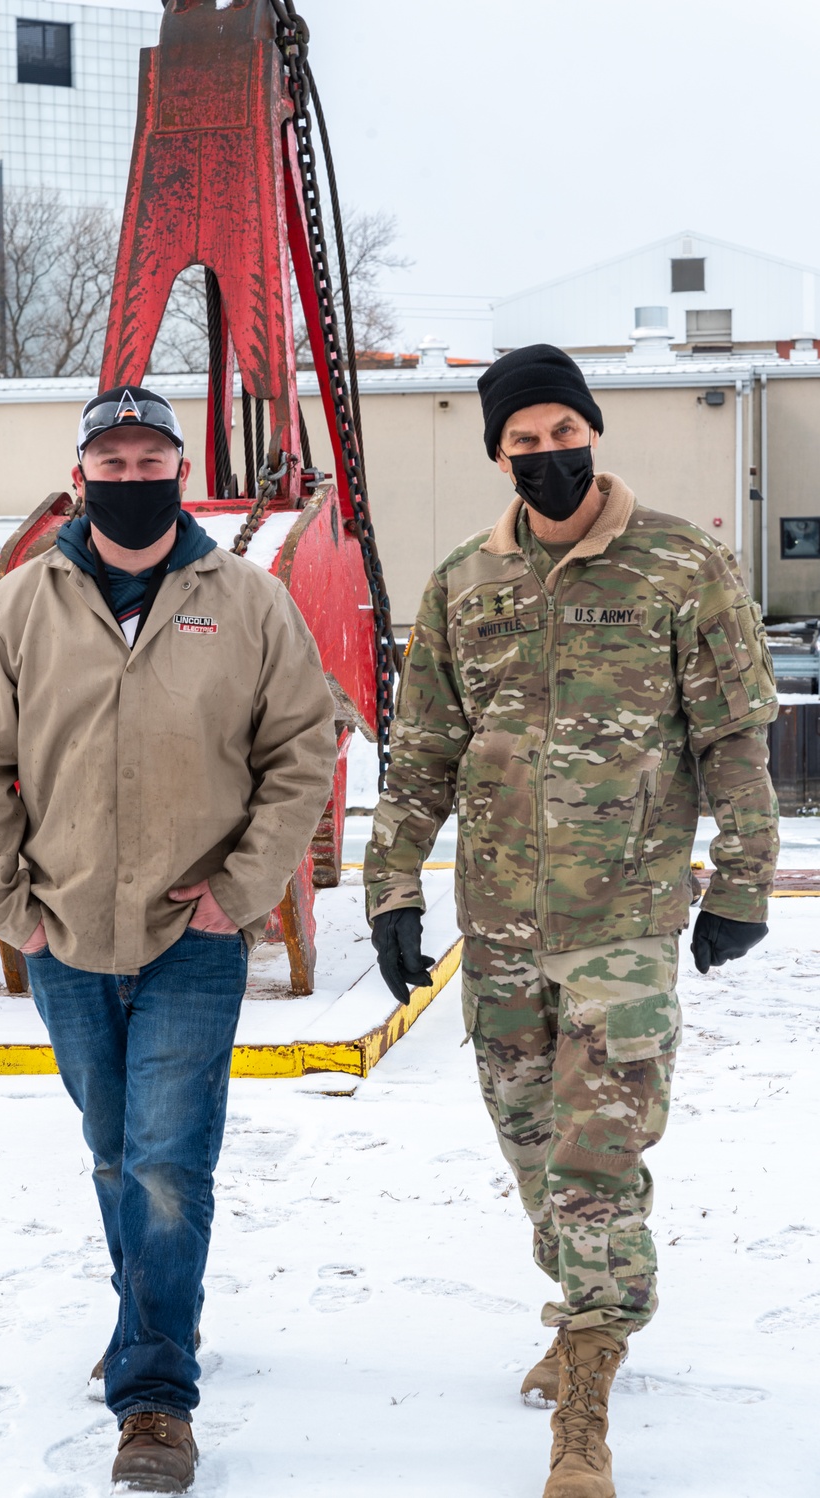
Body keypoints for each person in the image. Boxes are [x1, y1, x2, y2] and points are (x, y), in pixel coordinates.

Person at [364, 345, 779, 1498]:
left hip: (625, 918)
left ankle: (588, 1391)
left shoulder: (679, 565)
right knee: (530, 1142)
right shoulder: (465, 582)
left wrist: (743, 877)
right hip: (496, 923)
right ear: (496, 450)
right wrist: (390, 884)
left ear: (592, 431)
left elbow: (732, 738)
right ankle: (586, 1301)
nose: (546, 456)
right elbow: (423, 751)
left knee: (600, 1147)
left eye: (562, 432)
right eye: (523, 440)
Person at [0, 385, 337, 1494]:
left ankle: (154, 1395)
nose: (130, 474)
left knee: (167, 1161)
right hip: (64, 930)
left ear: (177, 466)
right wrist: (5, 902)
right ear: (82, 477)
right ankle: (151, 1316)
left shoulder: (245, 600)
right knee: (115, 1150)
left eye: (148, 454)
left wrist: (240, 889)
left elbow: (301, 748)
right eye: (109, 458)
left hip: (191, 935)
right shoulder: (23, 603)